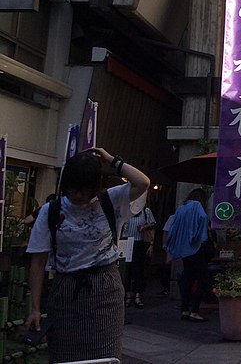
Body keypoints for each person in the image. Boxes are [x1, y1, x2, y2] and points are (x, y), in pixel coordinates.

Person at [24, 148, 150, 361]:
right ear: (66, 186)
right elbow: (37, 263)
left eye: (87, 190)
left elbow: (143, 182)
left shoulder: (111, 200)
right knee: (66, 358)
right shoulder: (51, 210)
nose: (81, 196)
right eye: (75, 190)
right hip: (65, 290)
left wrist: (112, 161)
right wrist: (35, 309)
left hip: (106, 290)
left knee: (104, 357)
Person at [164, 188, 211, 322]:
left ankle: (184, 309)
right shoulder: (198, 208)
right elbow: (202, 228)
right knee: (203, 279)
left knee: (188, 279)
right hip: (196, 248)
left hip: (184, 250)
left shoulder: (181, 209)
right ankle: (194, 311)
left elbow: (174, 227)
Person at [123, 199, 156, 309]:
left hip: (139, 242)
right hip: (126, 241)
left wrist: (144, 227)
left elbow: (153, 224)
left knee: (138, 269)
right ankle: (128, 294)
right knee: (127, 269)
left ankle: (137, 295)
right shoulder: (125, 210)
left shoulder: (146, 211)